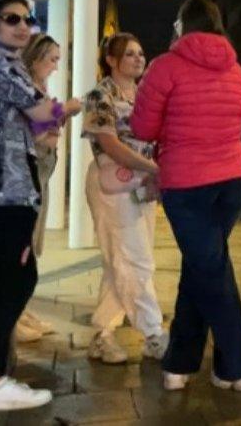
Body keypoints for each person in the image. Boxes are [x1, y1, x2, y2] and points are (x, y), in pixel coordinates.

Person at [0, 0, 80, 411]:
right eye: (11, 18)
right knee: (12, 282)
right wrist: (70, 107)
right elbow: (43, 113)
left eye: (27, 19)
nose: (23, 27)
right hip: (0, 193)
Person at [131, 0, 241, 390]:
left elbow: (143, 127)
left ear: (182, 26)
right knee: (202, 267)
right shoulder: (237, 70)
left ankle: (239, 366)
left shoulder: (165, 66)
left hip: (188, 183)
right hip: (234, 179)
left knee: (210, 269)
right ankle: (180, 364)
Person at [82, 33, 166, 364]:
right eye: (129, 54)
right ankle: (153, 333)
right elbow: (110, 143)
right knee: (135, 258)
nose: (138, 58)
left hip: (143, 182)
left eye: (141, 53)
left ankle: (103, 334)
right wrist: (153, 167)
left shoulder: (145, 95)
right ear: (112, 61)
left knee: (120, 259)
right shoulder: (98, 95)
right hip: (112, 182)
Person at [14, 33, 65, 343]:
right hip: (26, 176)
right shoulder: (25, 92)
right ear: (35, 59)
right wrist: (54, 125)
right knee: (24, 245)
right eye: (52, 59)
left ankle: (21, 310)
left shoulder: (41, 90)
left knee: (33, 244)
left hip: (42, 172)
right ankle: (14, 315)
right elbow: (27, 136)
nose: (56, 66)